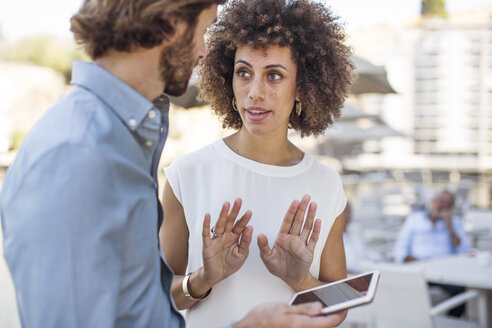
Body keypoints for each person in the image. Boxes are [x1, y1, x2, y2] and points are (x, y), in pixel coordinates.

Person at [0, 1, 346, 327]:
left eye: (274, 76)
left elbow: (143, 305)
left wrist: (298, 279)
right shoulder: (78, 154)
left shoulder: (117, 145)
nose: (205, 52)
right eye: (205, 28)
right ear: (173, 25)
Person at [159, 0, 354, 327]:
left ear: (303, 87)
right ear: (228, 79)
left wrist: (300, 279)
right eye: (243, 72)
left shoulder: (326, 184)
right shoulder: (186, 174)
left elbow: (339, 309)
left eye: (274, 75)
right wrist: (204, 278)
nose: (254, 92)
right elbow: (158, 294)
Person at [393, 190, 471, 317]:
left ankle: (450, 321)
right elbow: (400, 250)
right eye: (439, 201)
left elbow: (464, 251)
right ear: (432, 201)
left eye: (446, 203)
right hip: (417, 269)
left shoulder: (454, 223)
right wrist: (419, 263)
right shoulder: (414, 219)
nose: (441, 205)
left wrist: (449, 226)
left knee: (461, 290)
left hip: (444, 273)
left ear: (451, 208)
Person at [342, 202, 382, 274]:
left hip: (364, 273)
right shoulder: (331, 240)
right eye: (344, 212)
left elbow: (368, 254)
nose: (347, 216)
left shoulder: (354, 235)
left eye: (349, 212)